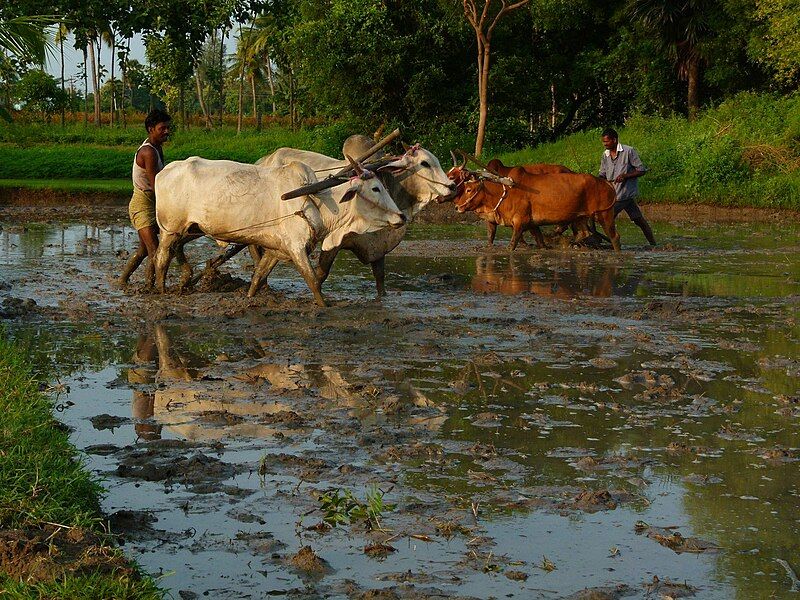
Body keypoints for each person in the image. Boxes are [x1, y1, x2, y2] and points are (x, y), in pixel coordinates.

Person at [118, 109, 172, 286]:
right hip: (142, 205)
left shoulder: (157, 148)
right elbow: (156, 183)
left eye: (167, 128)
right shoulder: (148, 152)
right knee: (154, 250)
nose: (166, 131)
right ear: (151, 129)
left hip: (152, 202)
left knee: (142, 250)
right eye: (162, 128)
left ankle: (122, 280)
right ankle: (150, 286)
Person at [599, 128, 656, 247]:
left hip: (624, 195)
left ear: (614, 140)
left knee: (606, 219)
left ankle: (614, 243)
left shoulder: (629, 151)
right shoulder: (605, 155)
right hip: (614, 195)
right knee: (639, 220)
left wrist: (625, 176)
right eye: (603, 142)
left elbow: (641, 170)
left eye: (607, 142)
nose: (604, 144)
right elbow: (602, 174)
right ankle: (654, 245)